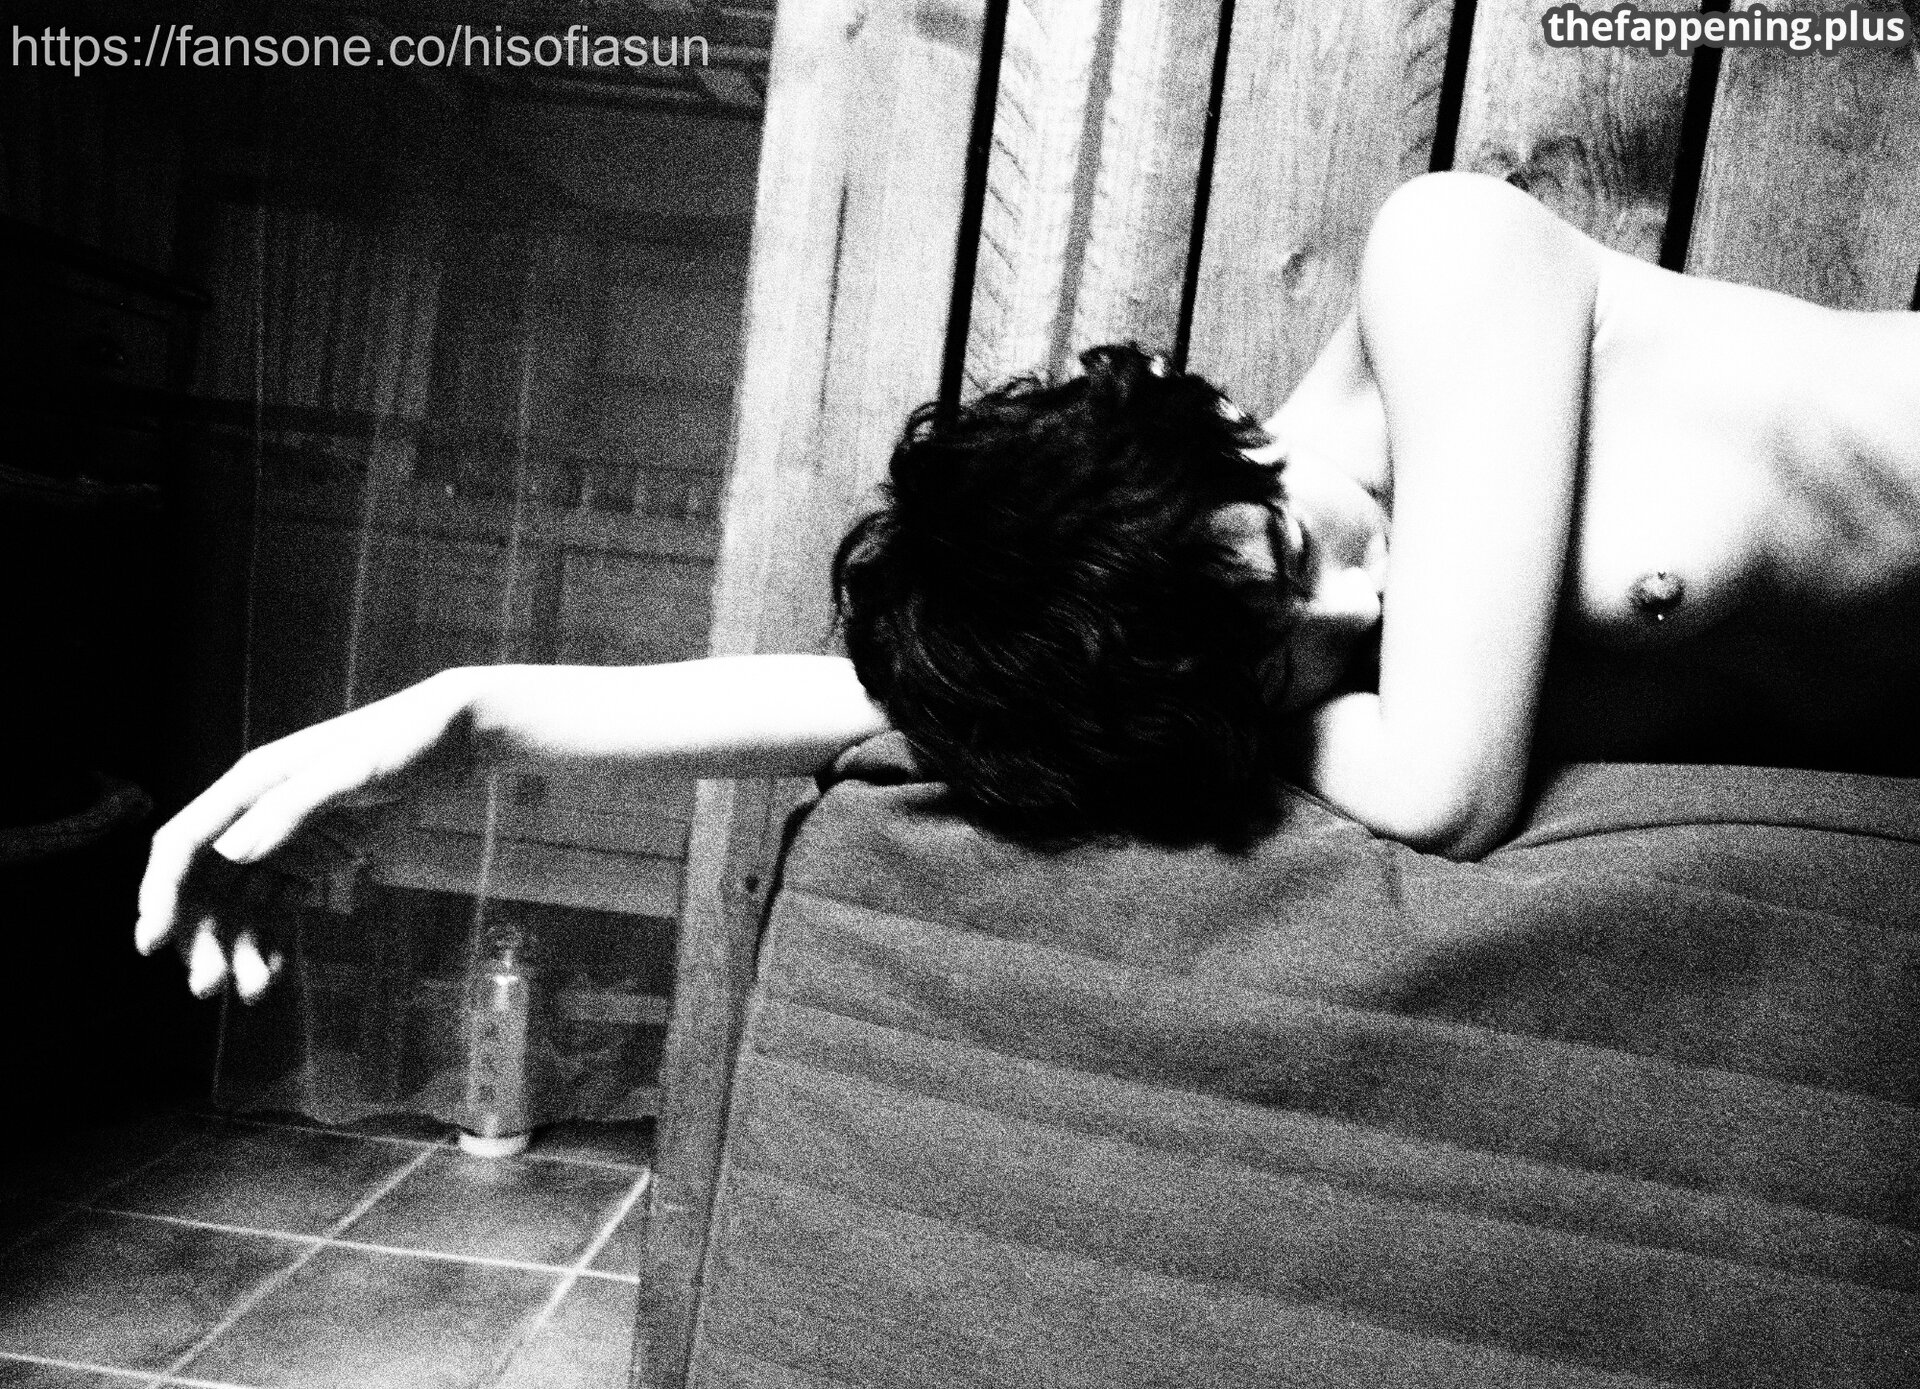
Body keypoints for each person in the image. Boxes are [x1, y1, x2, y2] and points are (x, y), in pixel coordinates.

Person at [135, 171, 1920, 1000]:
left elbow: (1450, 790)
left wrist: (1238, 720)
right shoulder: (1190, 638)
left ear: (1234, 438)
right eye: (1286, 667)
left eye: (1306, 555)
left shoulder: (1450, 263)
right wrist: (462, 716)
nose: (1367, 622)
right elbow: (909, 698)